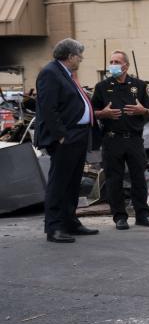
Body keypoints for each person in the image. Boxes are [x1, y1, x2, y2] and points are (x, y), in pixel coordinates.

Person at [34, 38, 100, 243]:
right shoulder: (50, 73)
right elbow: (48, 107)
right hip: (66, 137)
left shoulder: (66, 74)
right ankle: (54, 227)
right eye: (79, 56)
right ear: (70, 56)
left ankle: (70, 221)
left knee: (73, 182)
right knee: (59, 182)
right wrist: (61, 135)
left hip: (78, 135)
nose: (81, 59)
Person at [91, 50, 149, 230]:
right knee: (114, 180)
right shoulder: (102, 87)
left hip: (134, 139)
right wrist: (102, 113)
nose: (112, 64)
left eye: (116, 61)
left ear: (125, 66)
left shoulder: (139, 85)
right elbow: (92, 112)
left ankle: (142, 215)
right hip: (112, 140)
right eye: (111, 61)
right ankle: (119, 217)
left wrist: (141, 111)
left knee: (138, 178)